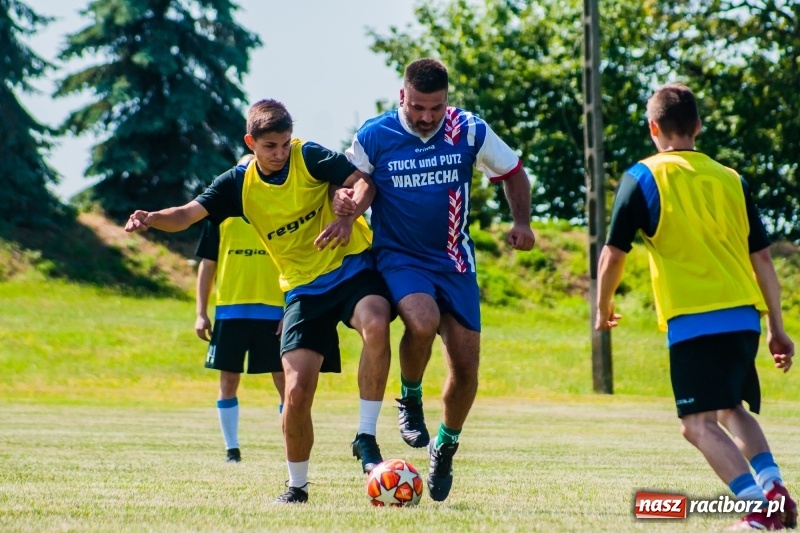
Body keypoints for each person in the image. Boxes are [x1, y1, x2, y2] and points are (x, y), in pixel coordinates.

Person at [125, 99, 392, 504]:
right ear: (251, 142)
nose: (280, 153)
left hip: (350, 265)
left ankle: (366, 437)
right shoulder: (237, 183)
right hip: (302, 288)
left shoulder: (309, 155)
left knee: (376, 321)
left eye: (284, 143)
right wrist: (152, 219)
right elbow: (186, 213)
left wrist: (347, 212)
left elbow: (363, 181)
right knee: (297, 390)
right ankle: (297, 487)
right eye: (270, 146)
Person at [331, 57, 536, 502]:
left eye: (436, 108)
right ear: (402, 95)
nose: (426, 117)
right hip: (400, 256)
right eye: (418, 107)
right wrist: (349, 206)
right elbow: (359, 182)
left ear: (448, 101)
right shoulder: (375, 134)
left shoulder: (469, 130)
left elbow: (513, 172)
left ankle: (445, 446)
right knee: (420, 322)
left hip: (455, 261)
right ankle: (409, 397)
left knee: (465, 369)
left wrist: (522, 222)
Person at [595, 84, 796, 530]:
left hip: (695, 320)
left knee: (696, 424)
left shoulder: (642, 177)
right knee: (730, 408)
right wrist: (776, 327)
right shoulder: (732, 179)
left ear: (653, 128)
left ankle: (758, 509)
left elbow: (613, 254)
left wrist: (603, 307)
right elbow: (761, 259)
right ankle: (774, 488)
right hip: (744, 316)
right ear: (697, 127)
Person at [194, 153, 286, 463]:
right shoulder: (219, 216)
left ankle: (292, 444)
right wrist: (201, 312)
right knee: (228, 380)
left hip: (274, 312)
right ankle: (232, 449)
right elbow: (207, 265)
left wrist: (290, 309)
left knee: (285, 381)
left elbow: (295, 262)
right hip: (230, 311)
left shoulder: (280, 211)